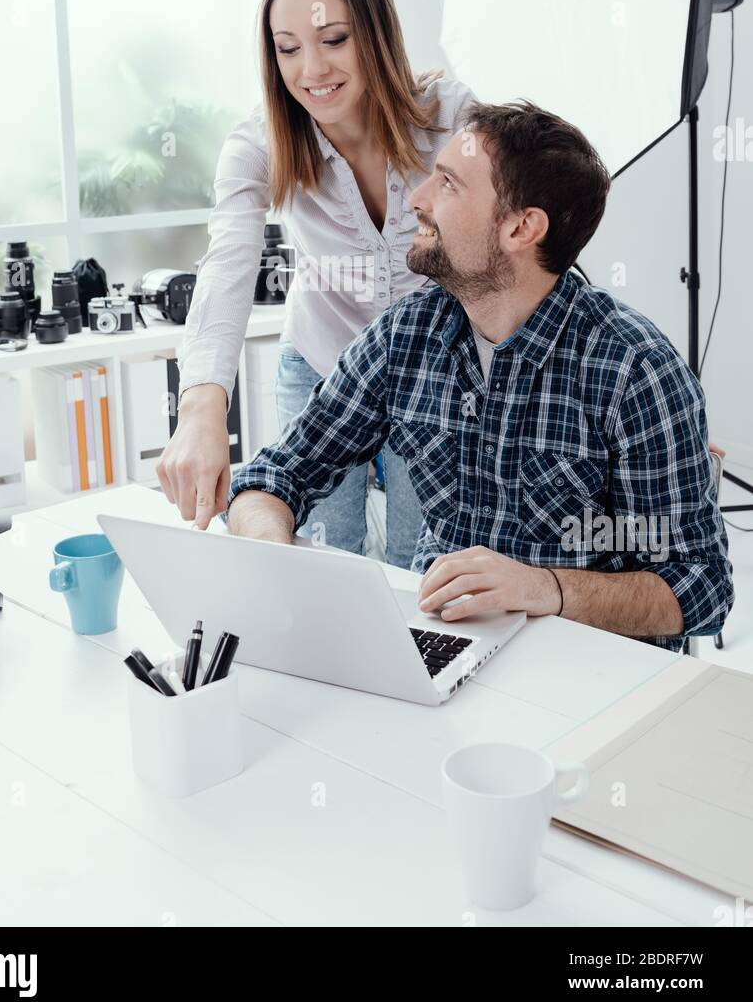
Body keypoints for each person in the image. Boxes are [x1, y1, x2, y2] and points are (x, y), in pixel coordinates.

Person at [227, 101, 734, 653]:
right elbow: (274, 477)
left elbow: (702, 588)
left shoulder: (634, 369)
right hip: (442, 645)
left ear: (520, 227)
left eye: (447, 184)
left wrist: (545, 588)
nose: (417, 200)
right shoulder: (407, 333)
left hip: (582, 666)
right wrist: (269, 555)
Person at [156, 0, 475, 567]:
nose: (311, 69)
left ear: (375, 35)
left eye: (334, 39)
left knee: (426, 569)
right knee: (327, 563)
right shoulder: (258, 145)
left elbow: (525, 241)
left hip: (435, 376)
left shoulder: (453, 118)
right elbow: (228, 264)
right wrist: (201, 406)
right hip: (324, 373)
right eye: (288, 47)